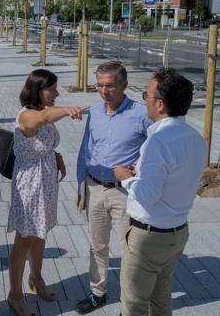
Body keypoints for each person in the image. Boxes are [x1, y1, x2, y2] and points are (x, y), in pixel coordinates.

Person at [115, 68, 206, 316]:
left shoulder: (158, 141)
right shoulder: (196, 138)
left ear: (160, 104)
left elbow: (147, 195)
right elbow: (177, 177)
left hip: (149, 237)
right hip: (177, 232)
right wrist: (142, 174)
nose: (145, 100)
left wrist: (125, 178)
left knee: (134, 304)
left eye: (147, 95)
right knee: (161, 298)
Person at [7, 69, 87, 316]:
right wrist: (67, 110)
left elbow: (45, 136)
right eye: (52, 89)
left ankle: (36, 279)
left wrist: (57, 155)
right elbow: (40, 120)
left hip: (46, 182)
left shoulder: (43, 112)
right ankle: (15, 294)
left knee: (40, 233)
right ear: (38, 90)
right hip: (30, 184)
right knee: (24, 239)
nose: (56, 93)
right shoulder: (26, 116)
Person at [75, 62, 151, 314]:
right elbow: (86, 149)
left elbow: (156, 148)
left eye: (110, 86)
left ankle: (131, 303)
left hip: (124, 193)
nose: (104, 91)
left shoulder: (141, 114)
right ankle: (98, 293)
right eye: (100, 85)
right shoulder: (95, 112)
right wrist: (80, 186)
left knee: (130, 248)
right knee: (97, 245)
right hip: (95, 187)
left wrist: (141, 172)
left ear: (124, 86)